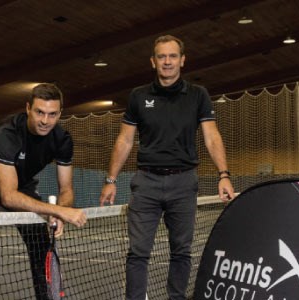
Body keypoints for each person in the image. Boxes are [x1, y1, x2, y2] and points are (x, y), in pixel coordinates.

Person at [99, 35, 236, 300]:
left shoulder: (198, 95)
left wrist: (224, 175)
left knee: (181, 252)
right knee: (137, 253)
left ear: (182, 60)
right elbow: (125, 140)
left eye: (173, 56)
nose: (167, 62)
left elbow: (212, 136)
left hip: (183, 184)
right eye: (162, 57)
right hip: (146, 184)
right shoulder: (138, 97)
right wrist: (111, 180)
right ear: (153, 62)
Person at [0, 83, 87, 300]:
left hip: (22, 185)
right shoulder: (7, 133)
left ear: (60, 114)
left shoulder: (62, 140)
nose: (45, 120)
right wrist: (56, 210)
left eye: (52, 114)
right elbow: (8, 196)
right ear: (28, 108)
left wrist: (61, 211)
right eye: (39, 112)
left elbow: (66, 189)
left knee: (41, 246)